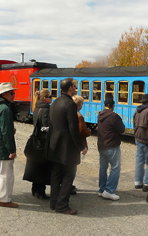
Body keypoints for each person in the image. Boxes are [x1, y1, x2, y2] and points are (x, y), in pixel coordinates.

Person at [47, 78, 84, 215]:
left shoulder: (55, 102)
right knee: (69, 175)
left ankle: (54, 202)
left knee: (56, 175)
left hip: (54, 145)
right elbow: (73, 128)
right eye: (74, 86)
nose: (75, 88)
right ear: (70, 88)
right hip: (67, 147)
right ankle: (62, 205)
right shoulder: (70, 104)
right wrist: (81, 147)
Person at [23, 90, 53, 200]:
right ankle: (41, 191)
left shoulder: (37, 107)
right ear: (45, 98)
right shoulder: (46, 109)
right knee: (43, 167)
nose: (52, 98)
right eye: (50, 96)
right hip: (43, 142)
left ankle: (34, 189)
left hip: (36, 140)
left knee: (36, 166)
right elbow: (45, 126)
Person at [96, 98, 125, 201]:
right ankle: (109, 190)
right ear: (113, 106)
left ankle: (101, 189)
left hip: (101, 145)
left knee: (103, 168)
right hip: (112, 145)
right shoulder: (114, 116)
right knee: (115, 168)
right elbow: (122, 129)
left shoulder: (100, 115)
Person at [133, 93, 148, 191]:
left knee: (139, 162)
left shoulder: (136, 111)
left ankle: (138, 182)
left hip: (138, 139)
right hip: (147, 140)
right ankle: (147, 183)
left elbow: (134, 125)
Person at [73, 95, 91, 195]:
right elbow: (80, 132)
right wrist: (89, 132)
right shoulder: (79, 116)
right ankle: (69, 186)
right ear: (79, 105)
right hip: (77, 144)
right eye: (82, 104)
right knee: (73, 167)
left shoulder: (71, 114)